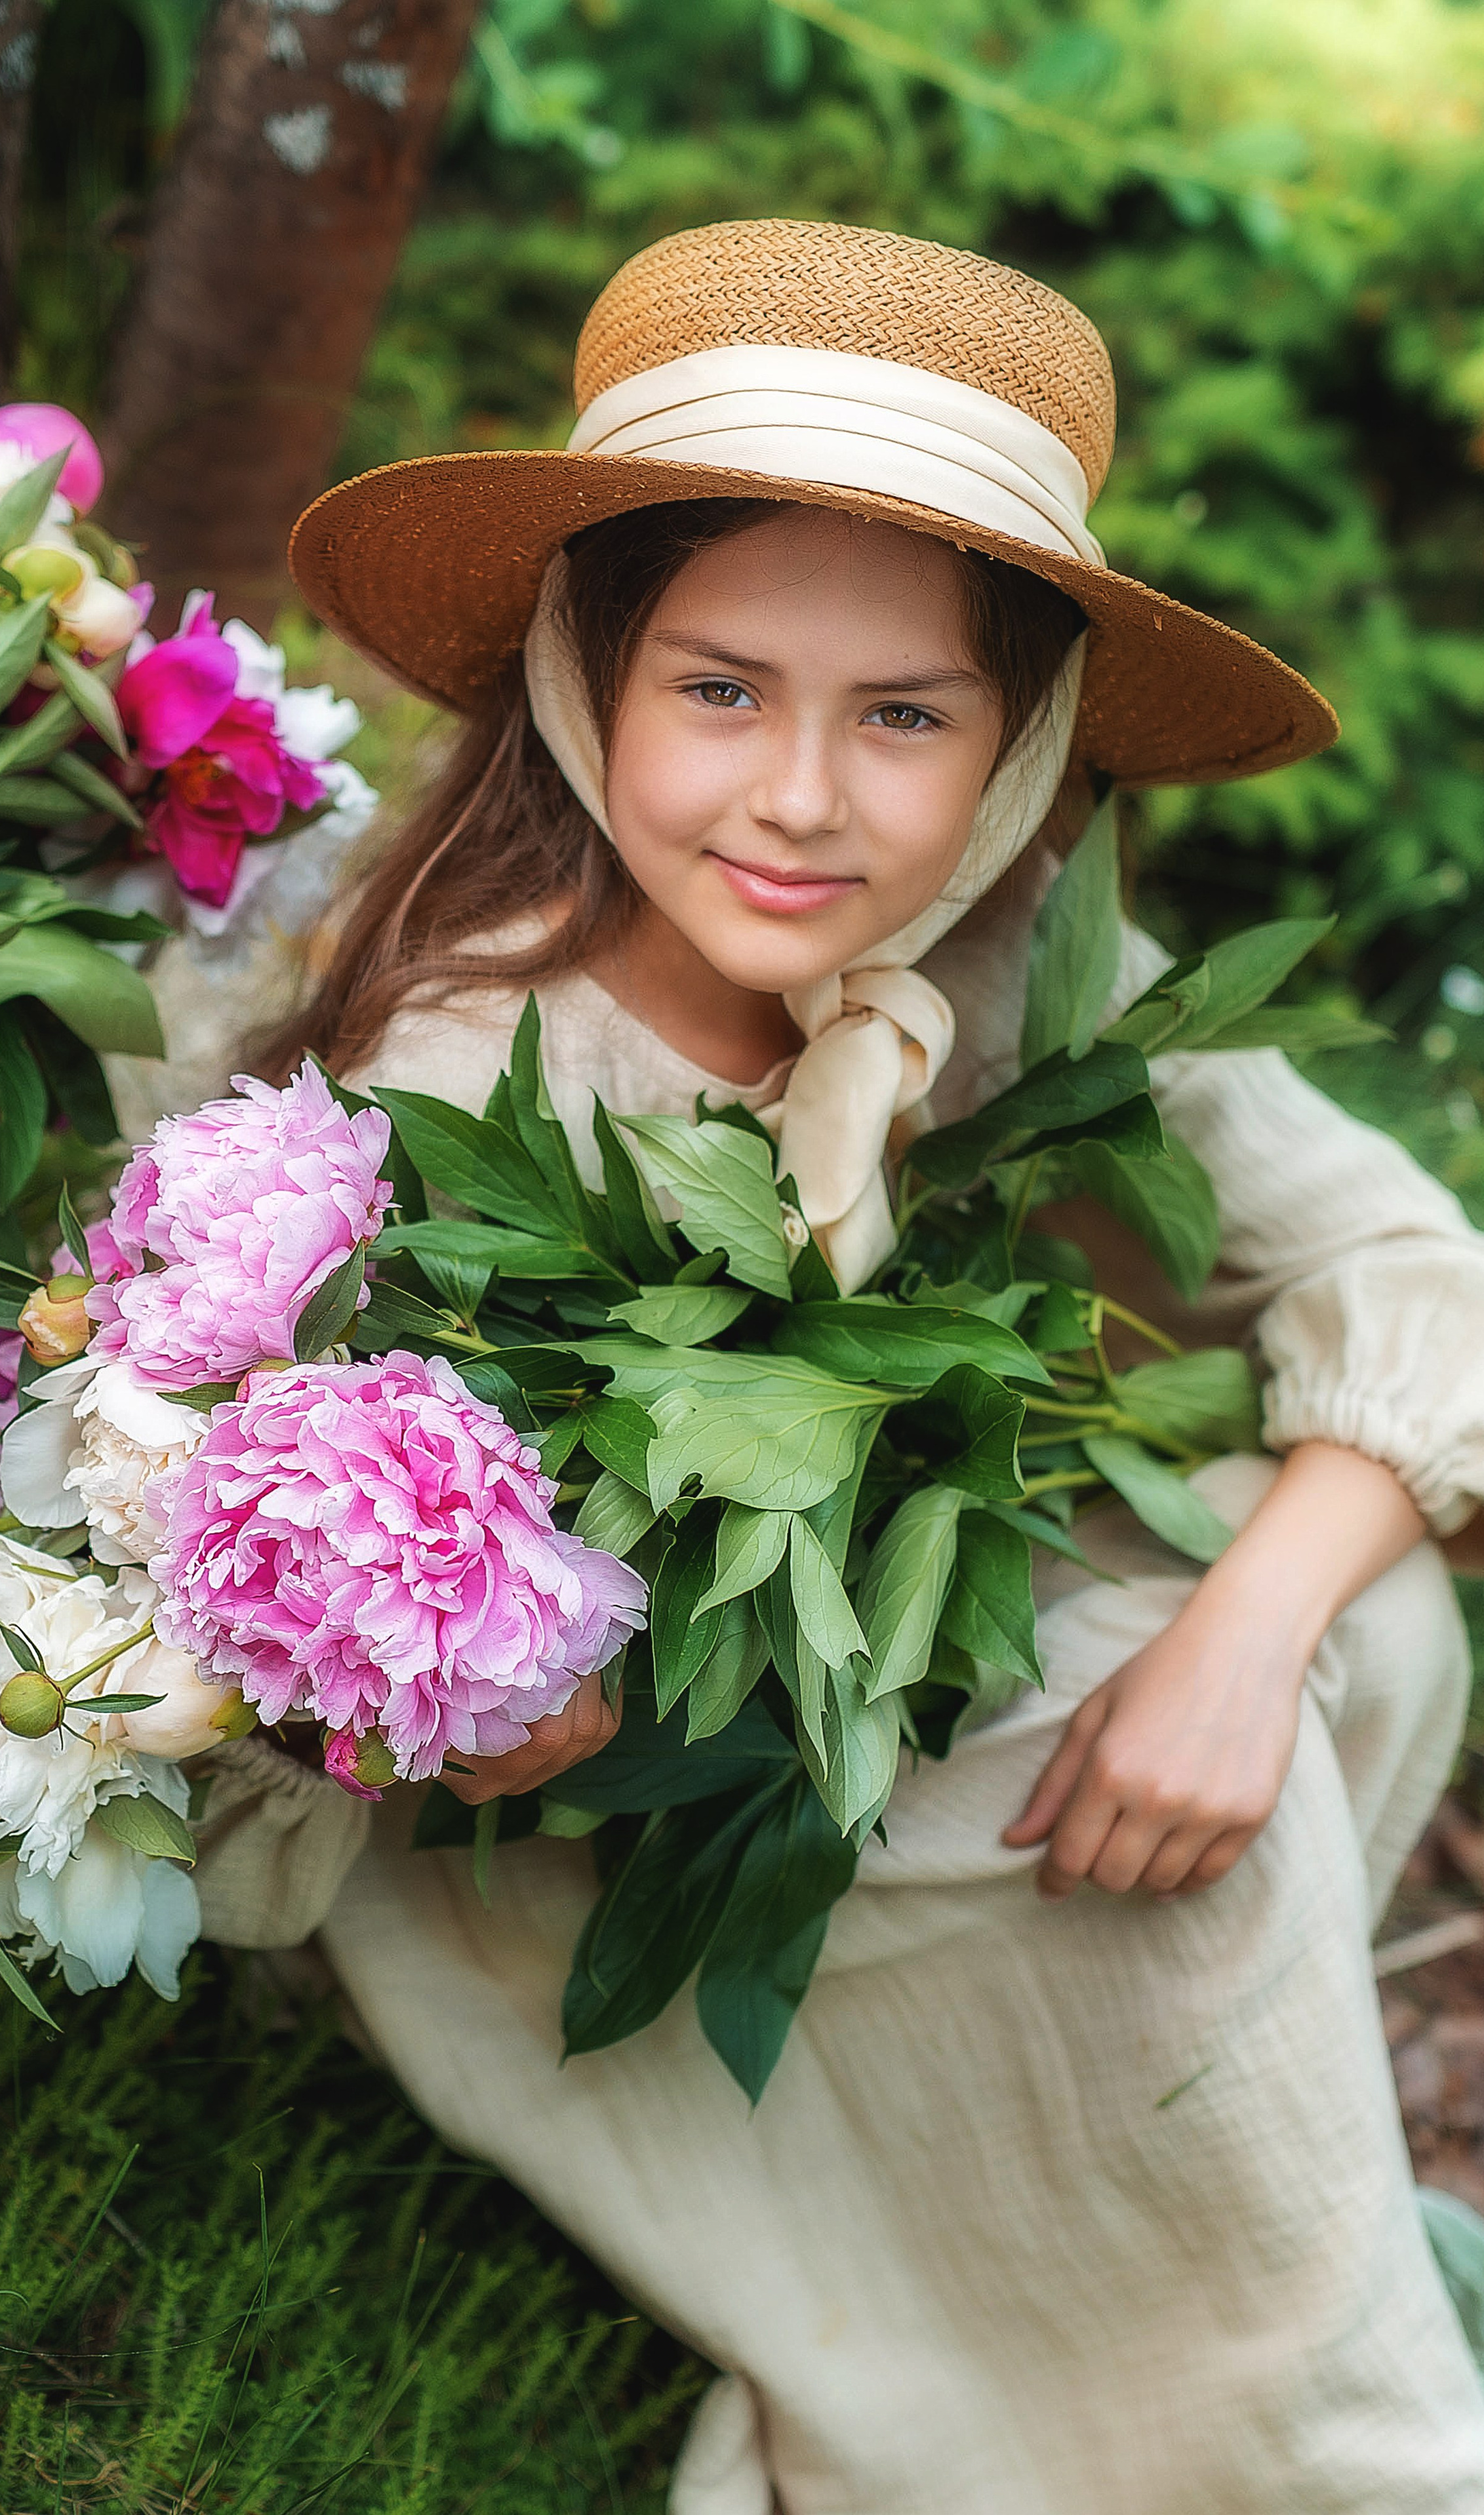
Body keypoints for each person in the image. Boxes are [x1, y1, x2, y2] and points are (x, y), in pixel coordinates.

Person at [189, 220, 1484, 2510]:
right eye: (721, 688)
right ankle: (1255, 2403)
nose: (800, 798)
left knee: (1355, 1604)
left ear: (1021, 743)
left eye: (903, 716)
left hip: (876, 1683)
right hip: (600, 1821)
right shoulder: (481, 1065)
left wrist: (1246, 1634)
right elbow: (341, 1652)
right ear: (590, 672)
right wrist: (484, 1699)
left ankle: (1165, 2228)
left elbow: (1409, 1256)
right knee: (1179, 1849)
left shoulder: (996, 957)